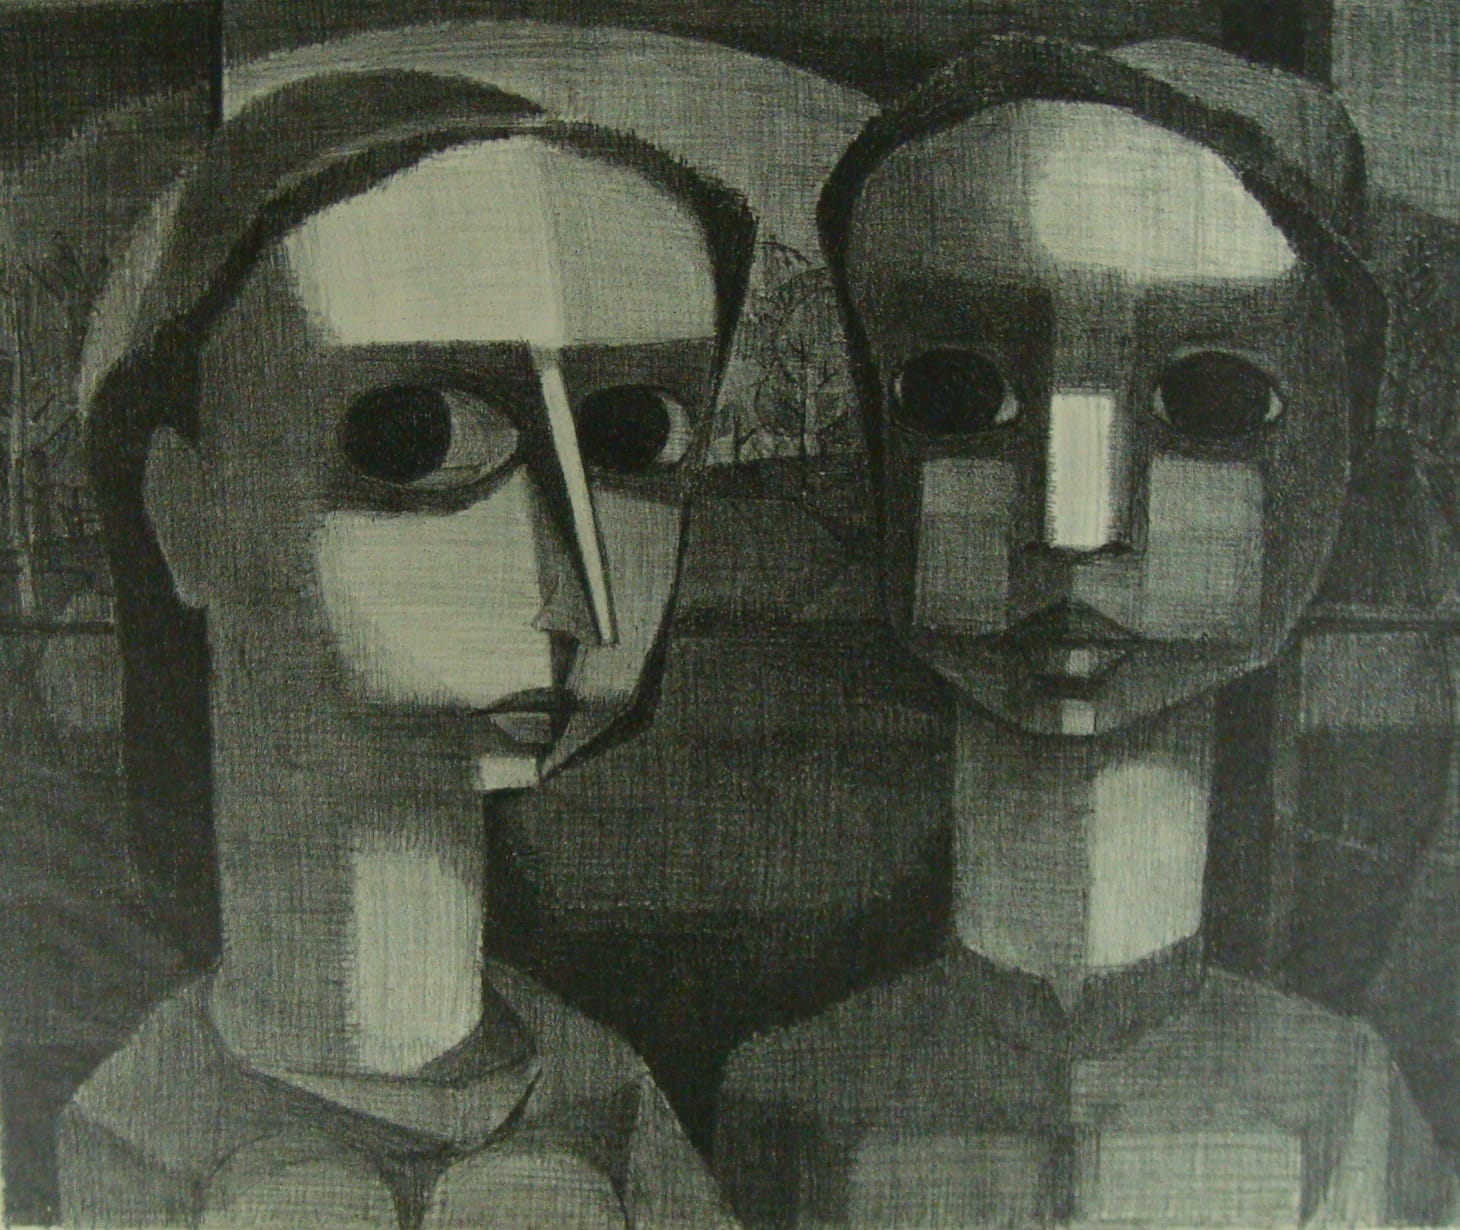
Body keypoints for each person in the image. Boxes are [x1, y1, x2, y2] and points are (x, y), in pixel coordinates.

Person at [713, 36, 1457, 1227]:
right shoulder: (792, 1103)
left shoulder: (1342, 1107)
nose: (1072, 526)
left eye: (1207, 400)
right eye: (958, 395)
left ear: (1333, 461)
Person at [59, 67, 753, 1228]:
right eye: (416, 435)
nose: (579, 585)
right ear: (185, 513)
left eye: (637, 434)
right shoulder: (124, 1138)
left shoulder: (614, 1102)